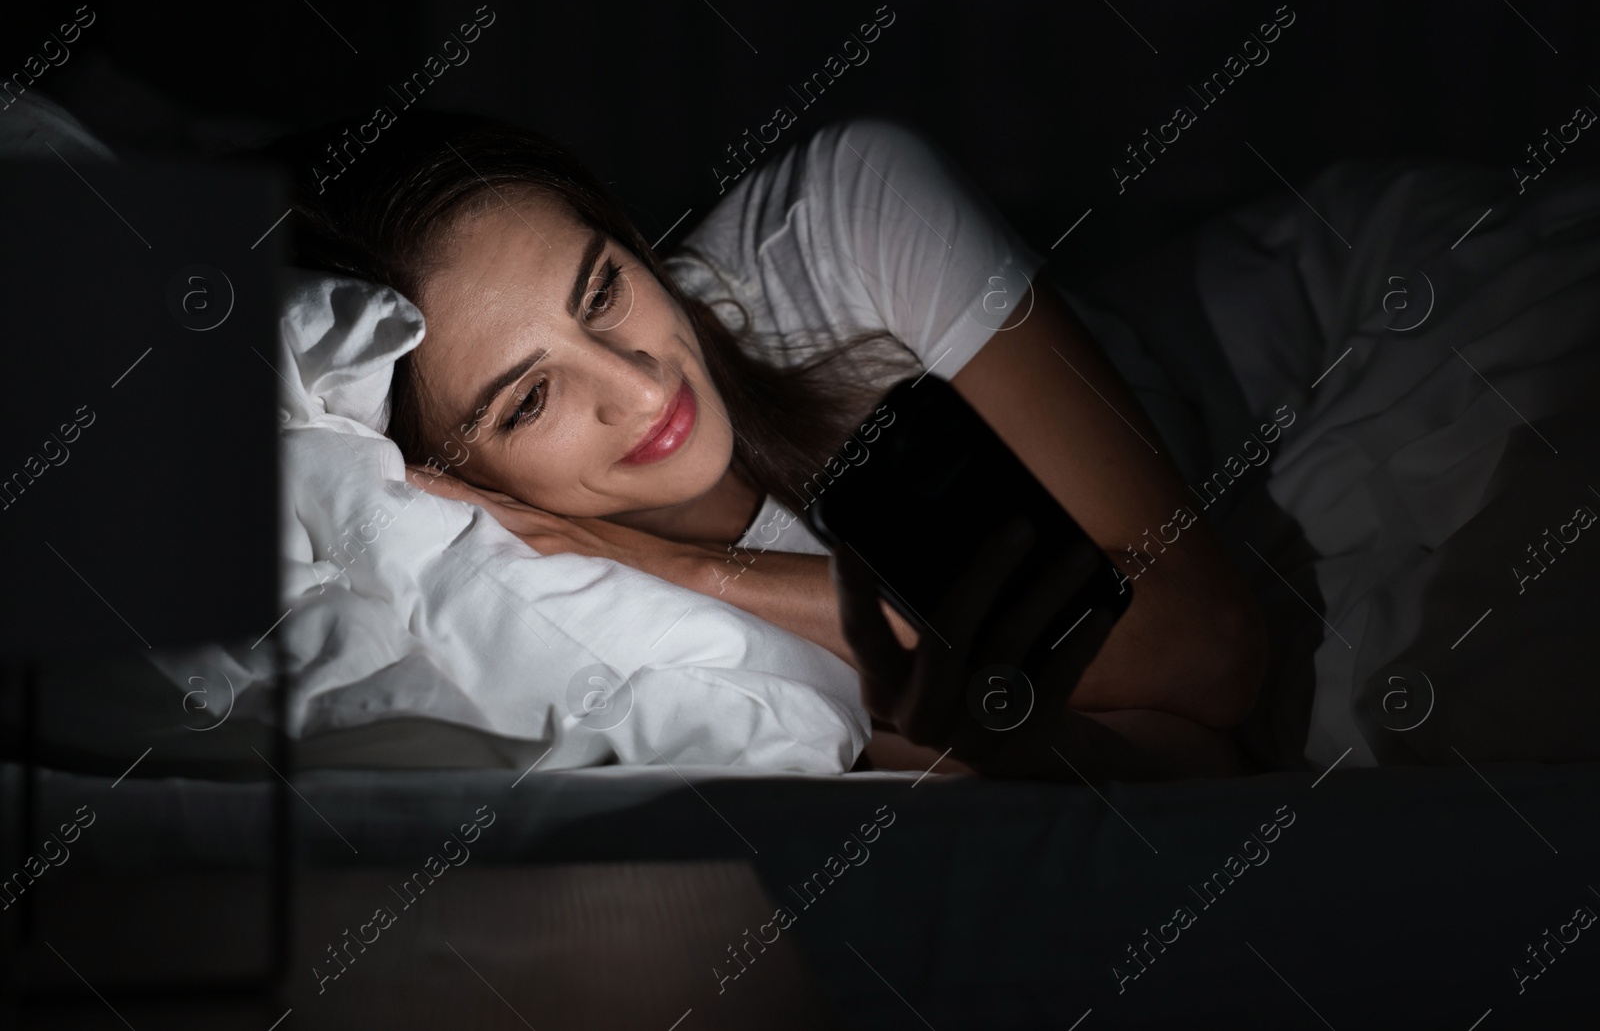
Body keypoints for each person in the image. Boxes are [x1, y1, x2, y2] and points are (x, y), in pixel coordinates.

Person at [271, 113, 1267, 781]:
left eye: (603, 289)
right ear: (448, 481)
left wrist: (700, 567)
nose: (639, 384)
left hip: (1281, 339)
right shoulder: (609, 645)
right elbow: (1189, 753)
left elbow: (1215, 650)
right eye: (529, 399)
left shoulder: (845, 218)